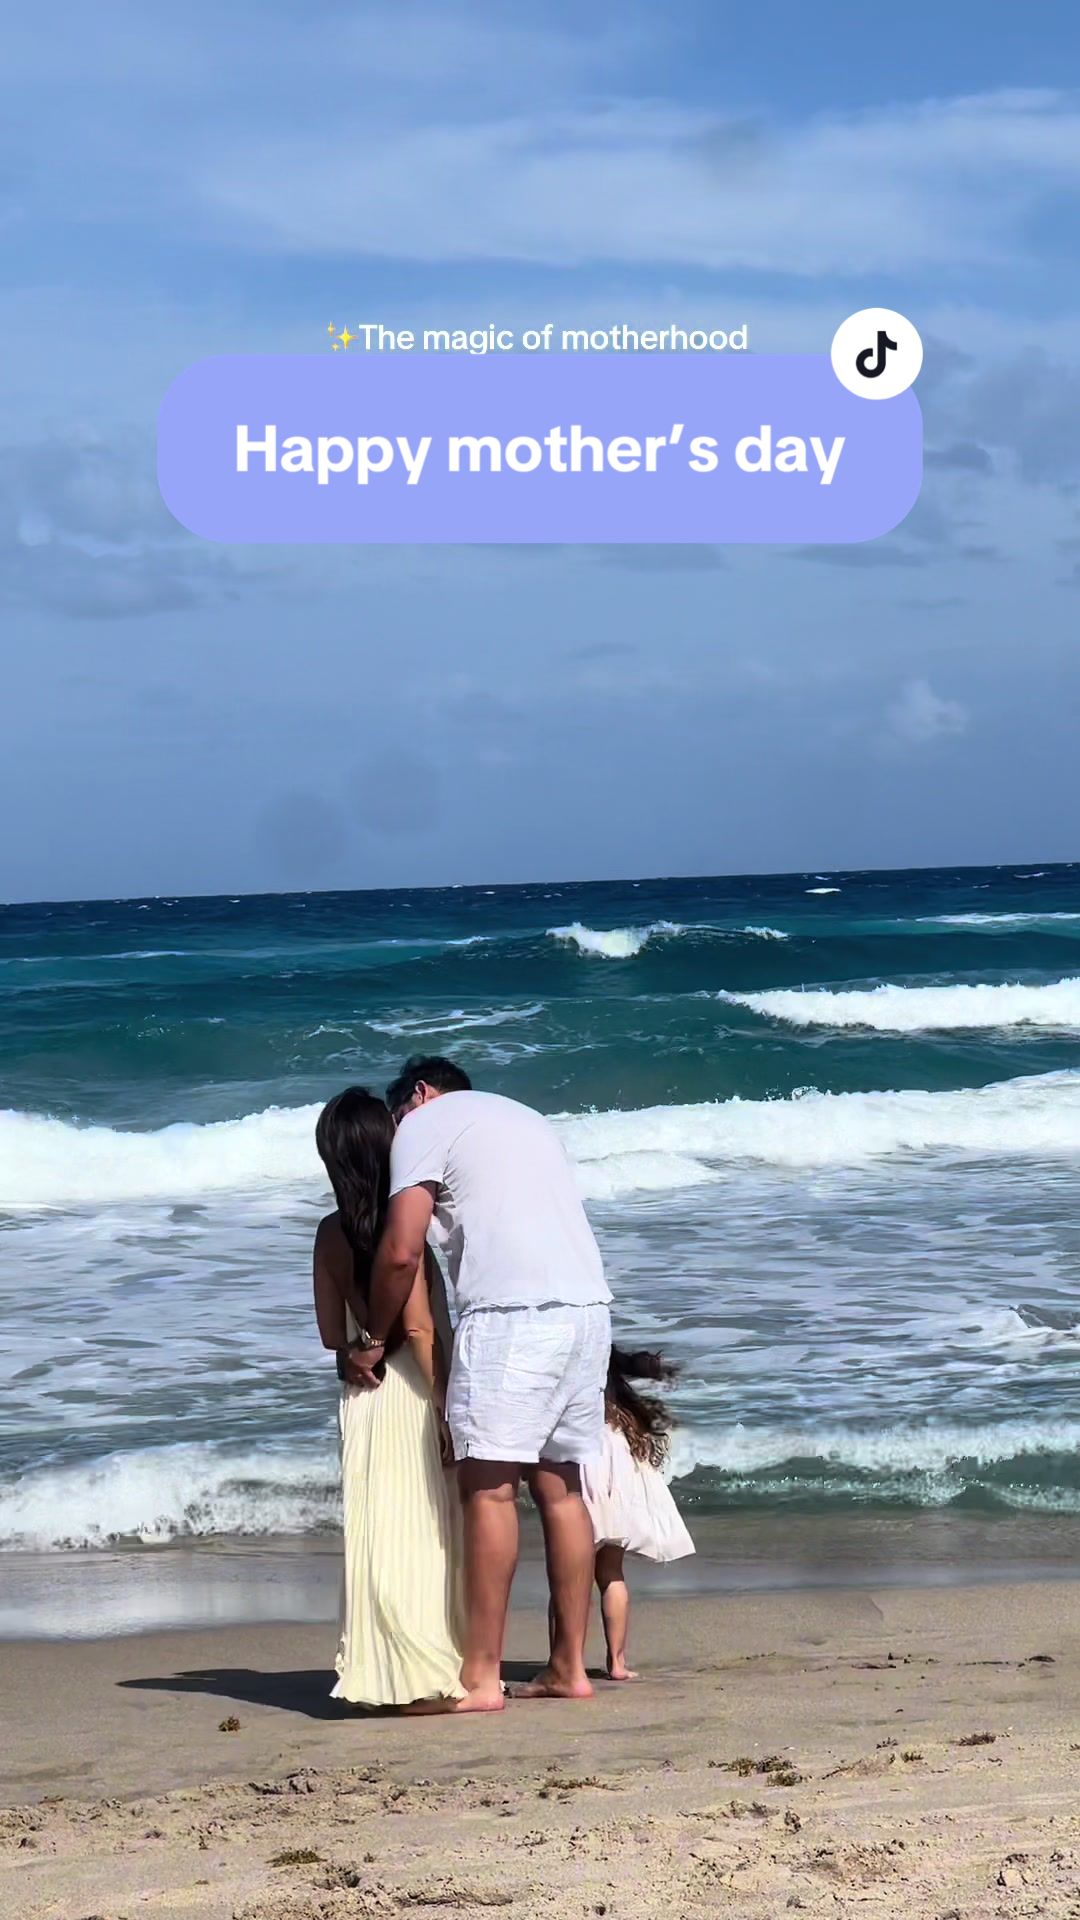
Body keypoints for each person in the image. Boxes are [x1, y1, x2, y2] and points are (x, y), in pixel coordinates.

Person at [352, 1057, 612, 1714]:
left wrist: (373, 1336)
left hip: (512, 1318)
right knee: (560, 1490)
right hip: (587, 1312)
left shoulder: (425, 1123)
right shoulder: (523, 1119)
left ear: (419, 1093)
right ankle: (568, 1667)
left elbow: (402, 1250)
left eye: (397, 1118)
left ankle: (481, 1677)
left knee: (489, 1490)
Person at [312, 1087, 464, 1711]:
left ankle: (382, 1675)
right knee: (425, 1533)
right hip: (409, 1389)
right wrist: (445, 1405)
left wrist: (357, 1351)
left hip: (364, 1397)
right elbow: (422, 1330)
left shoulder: (329, 1234)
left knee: (378, 1537)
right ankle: (428, 1673)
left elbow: (332, 1335)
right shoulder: (406, 1232)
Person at [579, 1346, 695, 1681]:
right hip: (618, 1465)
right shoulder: (621, 1420)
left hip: (585, 1459)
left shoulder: (576, 1371)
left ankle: (567, 1662)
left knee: (571, 1574)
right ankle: (617, 1663)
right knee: (611, 1573)